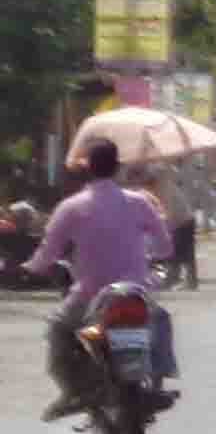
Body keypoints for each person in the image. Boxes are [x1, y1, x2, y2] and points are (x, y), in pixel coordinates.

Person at [22, 139, 180, 419]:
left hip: (90, 297)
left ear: (87, 169)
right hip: (135, 293)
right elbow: (165, 247)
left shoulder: (71, 207)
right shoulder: (140, 202)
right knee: (160, 321)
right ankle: (157, 380)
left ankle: (72, 391)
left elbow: (48, 252)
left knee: (59, 330)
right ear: (117, 167)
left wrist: (31, 267)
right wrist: (148, 255)